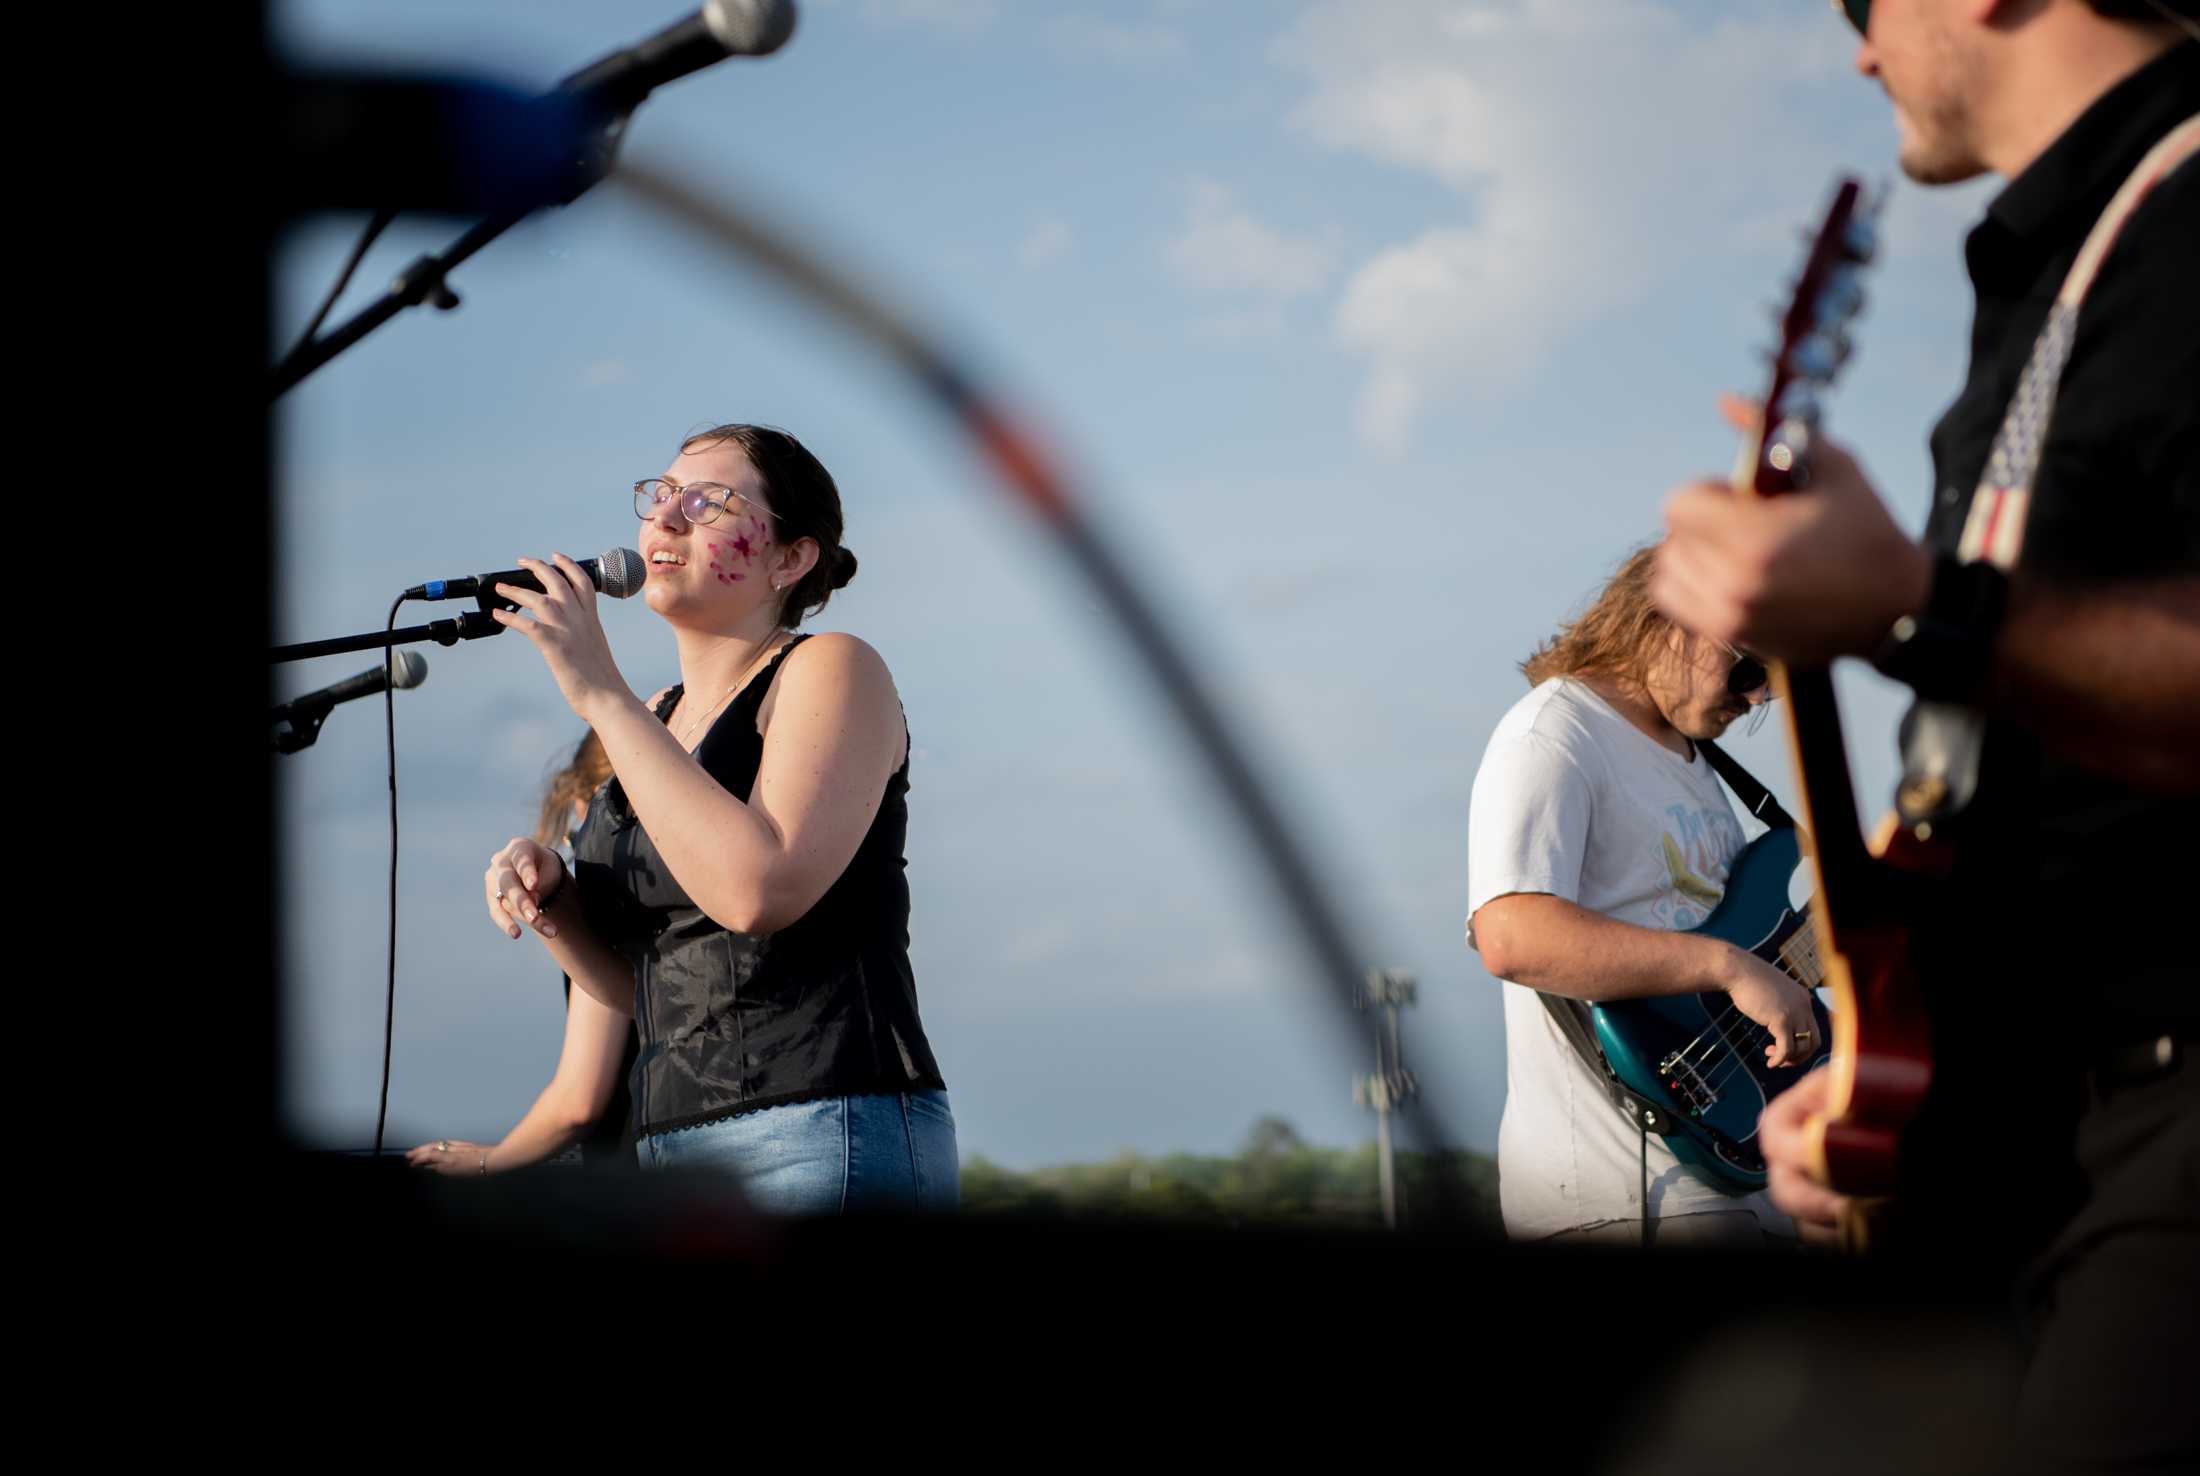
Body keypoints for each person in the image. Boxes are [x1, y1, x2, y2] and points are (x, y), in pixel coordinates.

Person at [1651, 1, 2197, 1462]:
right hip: (2062, 1134)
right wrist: (1909, 1074)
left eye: (1859, 2)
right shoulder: (2058, 289)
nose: (1857, 53)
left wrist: (1908, 601)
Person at [477, 422, 958, 1214]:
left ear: (790, 557)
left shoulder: (831, 667)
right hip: (674, 1146)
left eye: (708, 503)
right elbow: (646, 988)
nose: (664, 519)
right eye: (659, 496)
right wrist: (554, 901)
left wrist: (600, 689)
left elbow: (756, 893)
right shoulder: (650, 726)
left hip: (822, 1122)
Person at [1466, 544, 1810, 1247]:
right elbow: (1510, 935)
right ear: (1667, 619)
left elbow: (1731, 938)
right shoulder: (1554, 736)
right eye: (1747, 668)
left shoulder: (1691, 761)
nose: (1756, 699)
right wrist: (1729, 968)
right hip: (1624, 1196)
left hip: (1731, 1179)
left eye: (1771, 681)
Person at [408, 731, 640, 1177]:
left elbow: (579, 1101)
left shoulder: (615, 908)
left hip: (634, 1183)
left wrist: (484, 1163)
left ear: (585, 801)